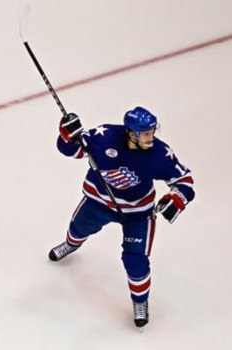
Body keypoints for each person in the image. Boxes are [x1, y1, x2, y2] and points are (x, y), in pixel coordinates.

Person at [49, 107, 195, 327]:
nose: (150, 137)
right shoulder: (104, 137)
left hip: (138, 214)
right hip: (99, 202)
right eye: (145, 133)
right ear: (131, 133)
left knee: (135, 261)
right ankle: (71, 245)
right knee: (77, 229)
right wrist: (67, 136)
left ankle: (140, 302)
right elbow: (71, 151)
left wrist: (176, 199)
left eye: (152, 132)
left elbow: (184, 180)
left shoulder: (159, 155)